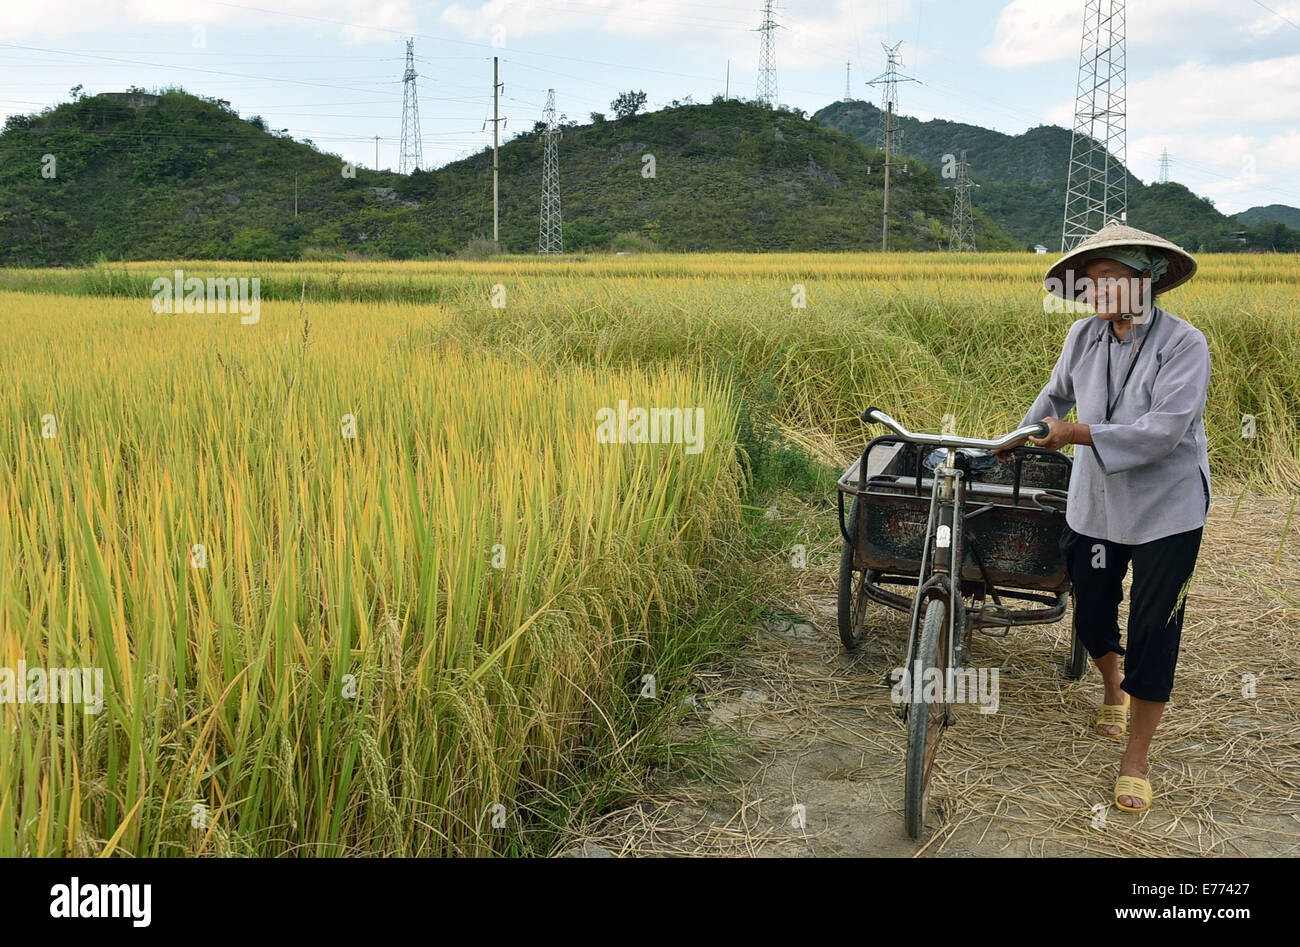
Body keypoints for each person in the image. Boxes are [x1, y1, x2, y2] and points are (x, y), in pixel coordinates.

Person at [996, 222, 1210, 814]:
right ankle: (1113, 689)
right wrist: (1017, 436)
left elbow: (1163, 432)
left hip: (1168, 508)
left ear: (1145, 279)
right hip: (1097, 501)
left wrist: (1075, 434)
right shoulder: (1081, 337)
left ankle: (1135, 758)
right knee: (1090, 608)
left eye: (1111, 279)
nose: (1098, 292)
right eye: (1091, 283)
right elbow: (1055, 396)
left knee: (1153, 629)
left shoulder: (1184, 344)